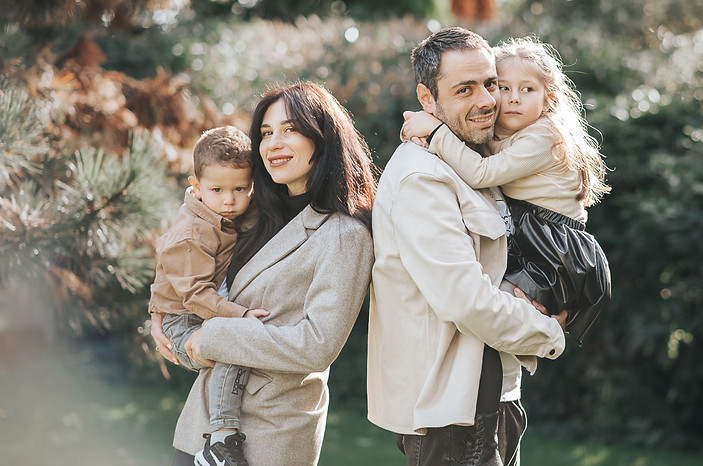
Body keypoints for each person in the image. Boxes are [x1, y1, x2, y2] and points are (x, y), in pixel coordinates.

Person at [367, 27, 567, 466]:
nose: (487, 101)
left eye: (490, 83)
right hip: (454, 412)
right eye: (464, 89)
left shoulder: (473, 160)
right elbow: (467, 301)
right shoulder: (424, 178)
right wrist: (552, 332)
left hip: (491, 395)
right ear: (426, 98)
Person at [151, 81, 377, 466]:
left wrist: (215, 336)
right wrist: (159, 314)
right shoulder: (250, 211)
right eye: (266, 133)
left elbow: (318, 344)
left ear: (322, 139)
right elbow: (188, 259)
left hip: (269, 434)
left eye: (290, 129)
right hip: (200, 425)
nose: (274, 143)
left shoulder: (345, 233)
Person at [401, 35, 611, 346]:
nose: (513, 98)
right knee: (498, 308)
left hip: (554, 246)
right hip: (533, 235)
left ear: (548, 99)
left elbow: (480, 171)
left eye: (527, 89)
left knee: (506, 308)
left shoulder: (544, 136)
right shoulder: (503, 130)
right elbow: (468, 144)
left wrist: (433, 133)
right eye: (503, 87)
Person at [148, 125, 270, 466]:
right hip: (183, 321)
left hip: (198, 307)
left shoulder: (222, 212)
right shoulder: (192, 232)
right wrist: (240, 315)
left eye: (240, 189)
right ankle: (221, 441)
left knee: (234, 346)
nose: (229, 200)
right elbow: (195, 296)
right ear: (196, 188)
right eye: (217, 189)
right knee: (232, 348)